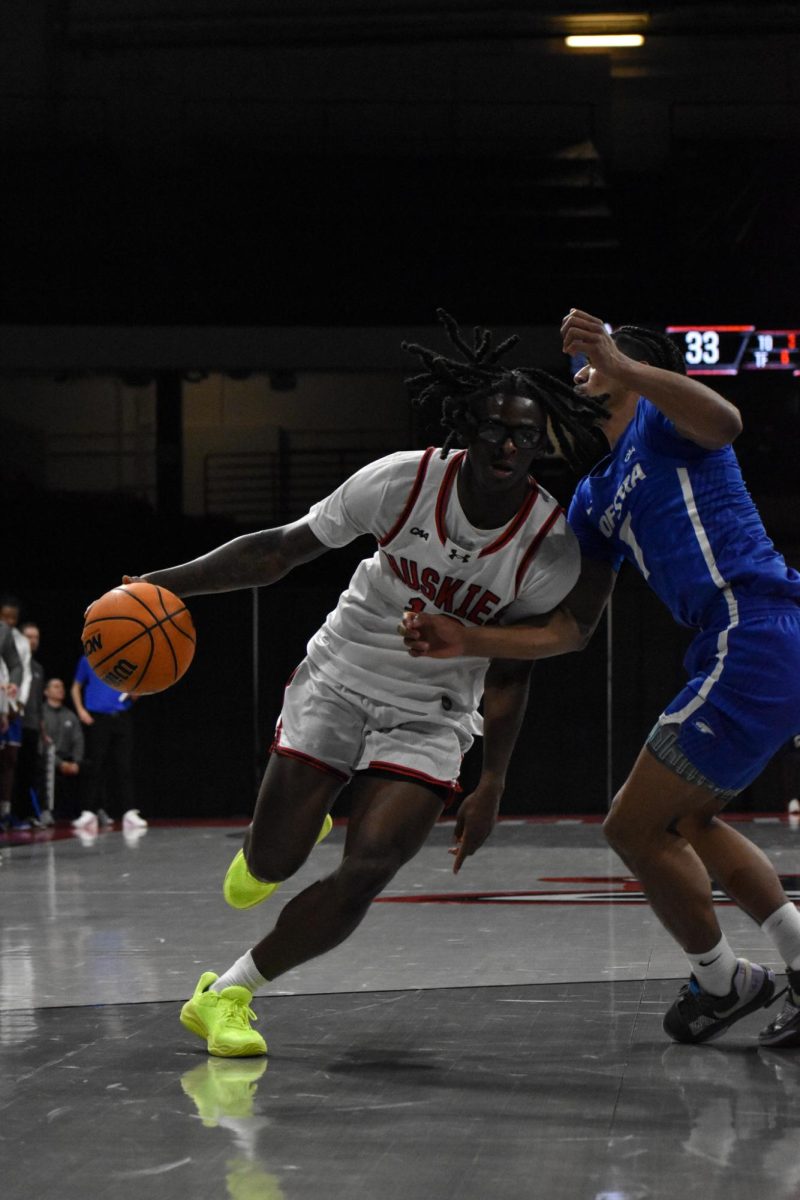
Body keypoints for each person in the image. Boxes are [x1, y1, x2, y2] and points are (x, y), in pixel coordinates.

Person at [128, 309, 605, 1057]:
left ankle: (226, 994)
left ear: (541, 442)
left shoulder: (550, 550)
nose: (509, 444)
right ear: (466, 430)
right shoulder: (402, 481)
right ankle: (283, 838)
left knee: (373, 864)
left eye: (524, 433)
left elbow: (514, 669)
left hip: (435, 710)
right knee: (270, 864)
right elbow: (279, 552)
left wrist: (494, 783)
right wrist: (162, 586)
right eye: (494, 428)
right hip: (344, 671)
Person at [402, 308, 800, 1049]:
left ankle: (723, 985)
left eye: (593, 364)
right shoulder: (592, 496)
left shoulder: (665, 424)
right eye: (583, 367)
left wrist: (623, 364)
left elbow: (727, 420)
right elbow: (572, 630)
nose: (581, 374)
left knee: (630, 824)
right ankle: (768, 968)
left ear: (631, 370)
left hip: (756, 626)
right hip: (740, 645)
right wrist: (470, 637)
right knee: (689, 820)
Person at [70, 655, 148, 834]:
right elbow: (76, 687)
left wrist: (135, 694)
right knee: (96, 764)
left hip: (121, 717)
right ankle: (89, 811)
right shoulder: (87, 660)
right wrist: (81, 711)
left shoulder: (124, 659)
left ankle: (129, 811)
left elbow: (136, 689)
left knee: (124, 765)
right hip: (98, 718)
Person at [0, 595, 33, 832]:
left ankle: (5, 812)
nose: (10, 621)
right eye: (6, 617)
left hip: (7, 704)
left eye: (13, 618)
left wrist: (14, 699)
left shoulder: (10, 636)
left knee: (8, 760)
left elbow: (18, 668)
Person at [38, 678, 85, 826]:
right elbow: (41, 743)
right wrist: (60, 764)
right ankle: (45, 811)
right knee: (41, 767)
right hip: (48, 758)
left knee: (92, 767)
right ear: (46, 692)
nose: (61, 689)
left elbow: (79, 740)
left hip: (68, 759)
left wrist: (76, 762)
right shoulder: (41, 714)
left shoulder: (70, 715)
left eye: (62, 686)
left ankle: (90, 811)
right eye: (56, 686)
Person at [16, 621, 45, 825]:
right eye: (29, 636)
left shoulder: (37, 668)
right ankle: (11, 814)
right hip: (14, 724)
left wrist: (42, 728)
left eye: (36, 637)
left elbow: (37, 701)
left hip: (32, 726)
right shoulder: (12, 665)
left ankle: (28, 814)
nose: (32, 641)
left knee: (28, 772)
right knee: (12, 771)